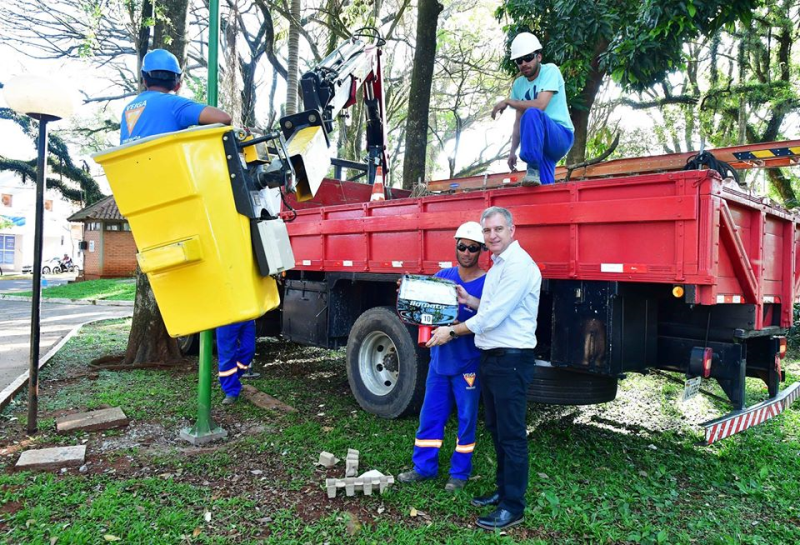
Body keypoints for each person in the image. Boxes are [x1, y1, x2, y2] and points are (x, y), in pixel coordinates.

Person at [427, 206, 541, 530]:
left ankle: (513, 507)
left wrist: (452, 331)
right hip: (492, 358)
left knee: (512, 435)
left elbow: (491, 318)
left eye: (498, 229)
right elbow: (489, 308)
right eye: (487, 230)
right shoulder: (500, 264)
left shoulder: (518, 266)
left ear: (511, 230)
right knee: (497, 429)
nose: (492, 236)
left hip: (511, 360)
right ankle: (503, 492)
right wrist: (468, 300)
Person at [397, 222, 487, 492]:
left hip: (468, 363)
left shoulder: (488, 283)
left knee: (467, 419)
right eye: (462, 246)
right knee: (430, 415)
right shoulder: (442, 277)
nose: (467, 252)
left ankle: (459, 473)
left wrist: (457, 327)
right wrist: (407, 294)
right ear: (456, 245)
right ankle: (423, 468)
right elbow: (423, 310)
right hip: (439, 362)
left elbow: (490, 321)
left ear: (482, 250)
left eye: (473, 248)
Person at [491, 32, 574, 186]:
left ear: (539, 57)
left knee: (532, 113)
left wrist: (508, 101)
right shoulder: (518, 85)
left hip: (560, 135)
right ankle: (538, 178)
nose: (524, 63)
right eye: (519, 61)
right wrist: (512, 151)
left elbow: (540, 105)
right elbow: (518, 122)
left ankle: (532, 167)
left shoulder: (550, 71)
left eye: (528, 58)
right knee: (542, 188)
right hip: (540, 145)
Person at [120, 48, 231, 145]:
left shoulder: (127, 109)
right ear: (177, 85)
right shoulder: (174, 105)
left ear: (144, 81)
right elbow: (223, 118)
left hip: (129, 163)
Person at [216, 320, 258, 404]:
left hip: (247, 317)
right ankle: (231, 391)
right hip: (226, 319)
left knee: (249, 350)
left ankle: (227, 377)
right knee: (227, 356)